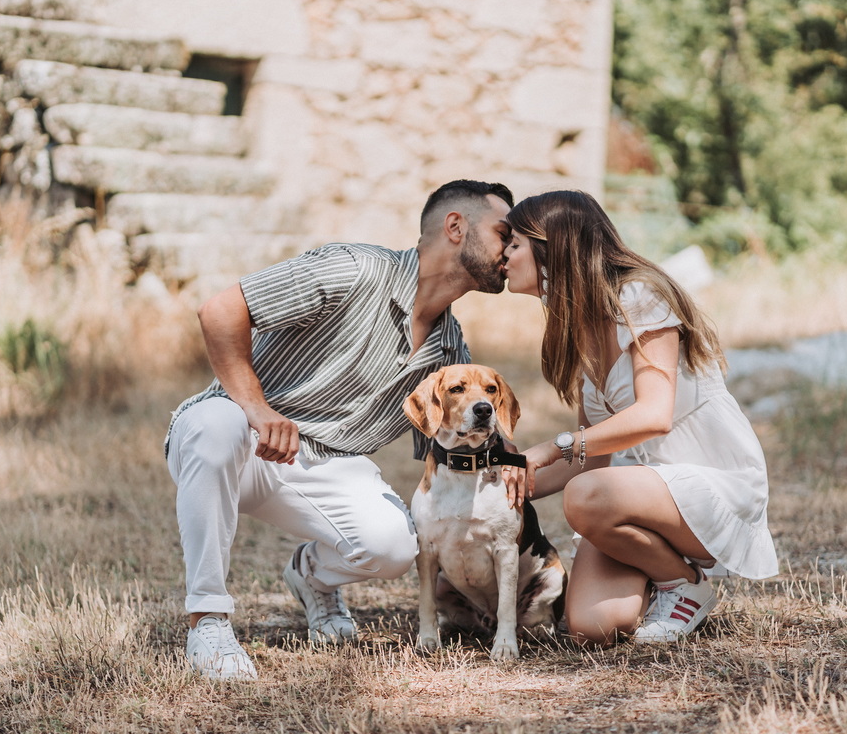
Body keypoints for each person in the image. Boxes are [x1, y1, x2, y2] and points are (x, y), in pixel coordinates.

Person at [165, 179, 515, 679]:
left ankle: (311, 577)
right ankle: (209, 622)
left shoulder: (451, 350)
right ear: (455, 227)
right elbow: (220, 310)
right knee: (213, 423)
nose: (512, 249)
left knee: (395, 544)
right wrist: (258, 410)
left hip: (328, 464)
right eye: (504, 233)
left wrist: (520, 461)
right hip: (238, 438)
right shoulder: (353, 267)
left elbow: (453, 456)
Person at [500, 190, 778, 645]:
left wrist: (552, 446)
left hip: (713, 481)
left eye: (514, 243)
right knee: (593, 628)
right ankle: (656, 574)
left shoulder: (638, 296)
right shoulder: (578, 330)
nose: (504, 255)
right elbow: (592, 457)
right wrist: (512, 479)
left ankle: (682, 585)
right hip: (639, 490)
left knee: (584, 497)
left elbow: (653, 416)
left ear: (551, 244)